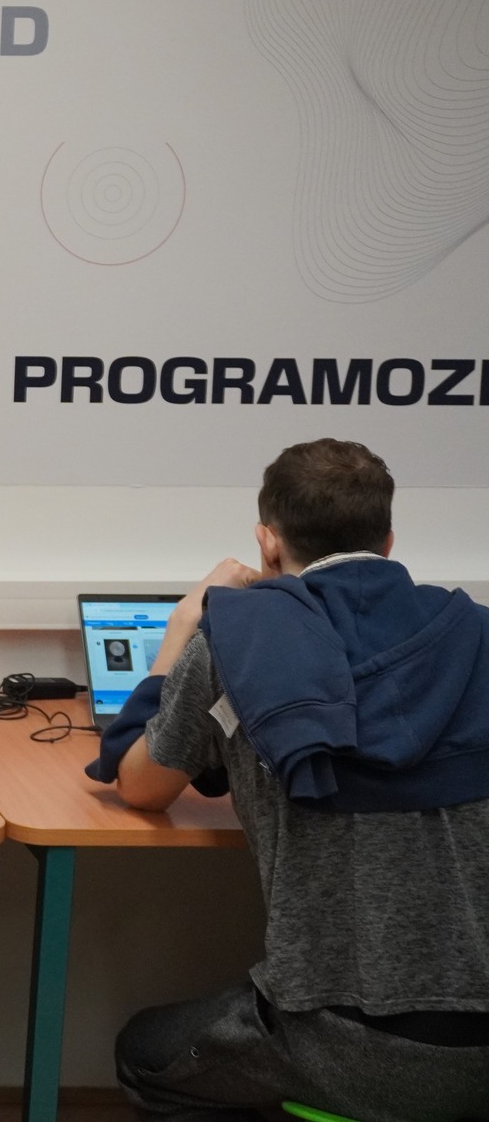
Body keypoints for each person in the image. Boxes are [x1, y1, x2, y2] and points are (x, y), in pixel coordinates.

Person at [102, 438, 489, 1121]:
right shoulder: (479, 634)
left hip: (347, 1045)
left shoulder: (238, 642)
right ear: (388, 542)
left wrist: (182, 630)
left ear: (268, 542)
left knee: (145, 1051)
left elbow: (141, 786)